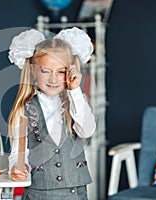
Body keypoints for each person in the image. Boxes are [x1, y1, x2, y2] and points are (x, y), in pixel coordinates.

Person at [7, 27, 96, 200]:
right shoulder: (24, 108)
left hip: (75, 193)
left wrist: (75, 90)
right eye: (45, 71)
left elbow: (87, 130)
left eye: (60, 71)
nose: (53, 79)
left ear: (70, 71)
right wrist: (17, 167)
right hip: (39, 193)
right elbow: (18, 153)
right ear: (34, 71)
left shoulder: (76, 102)